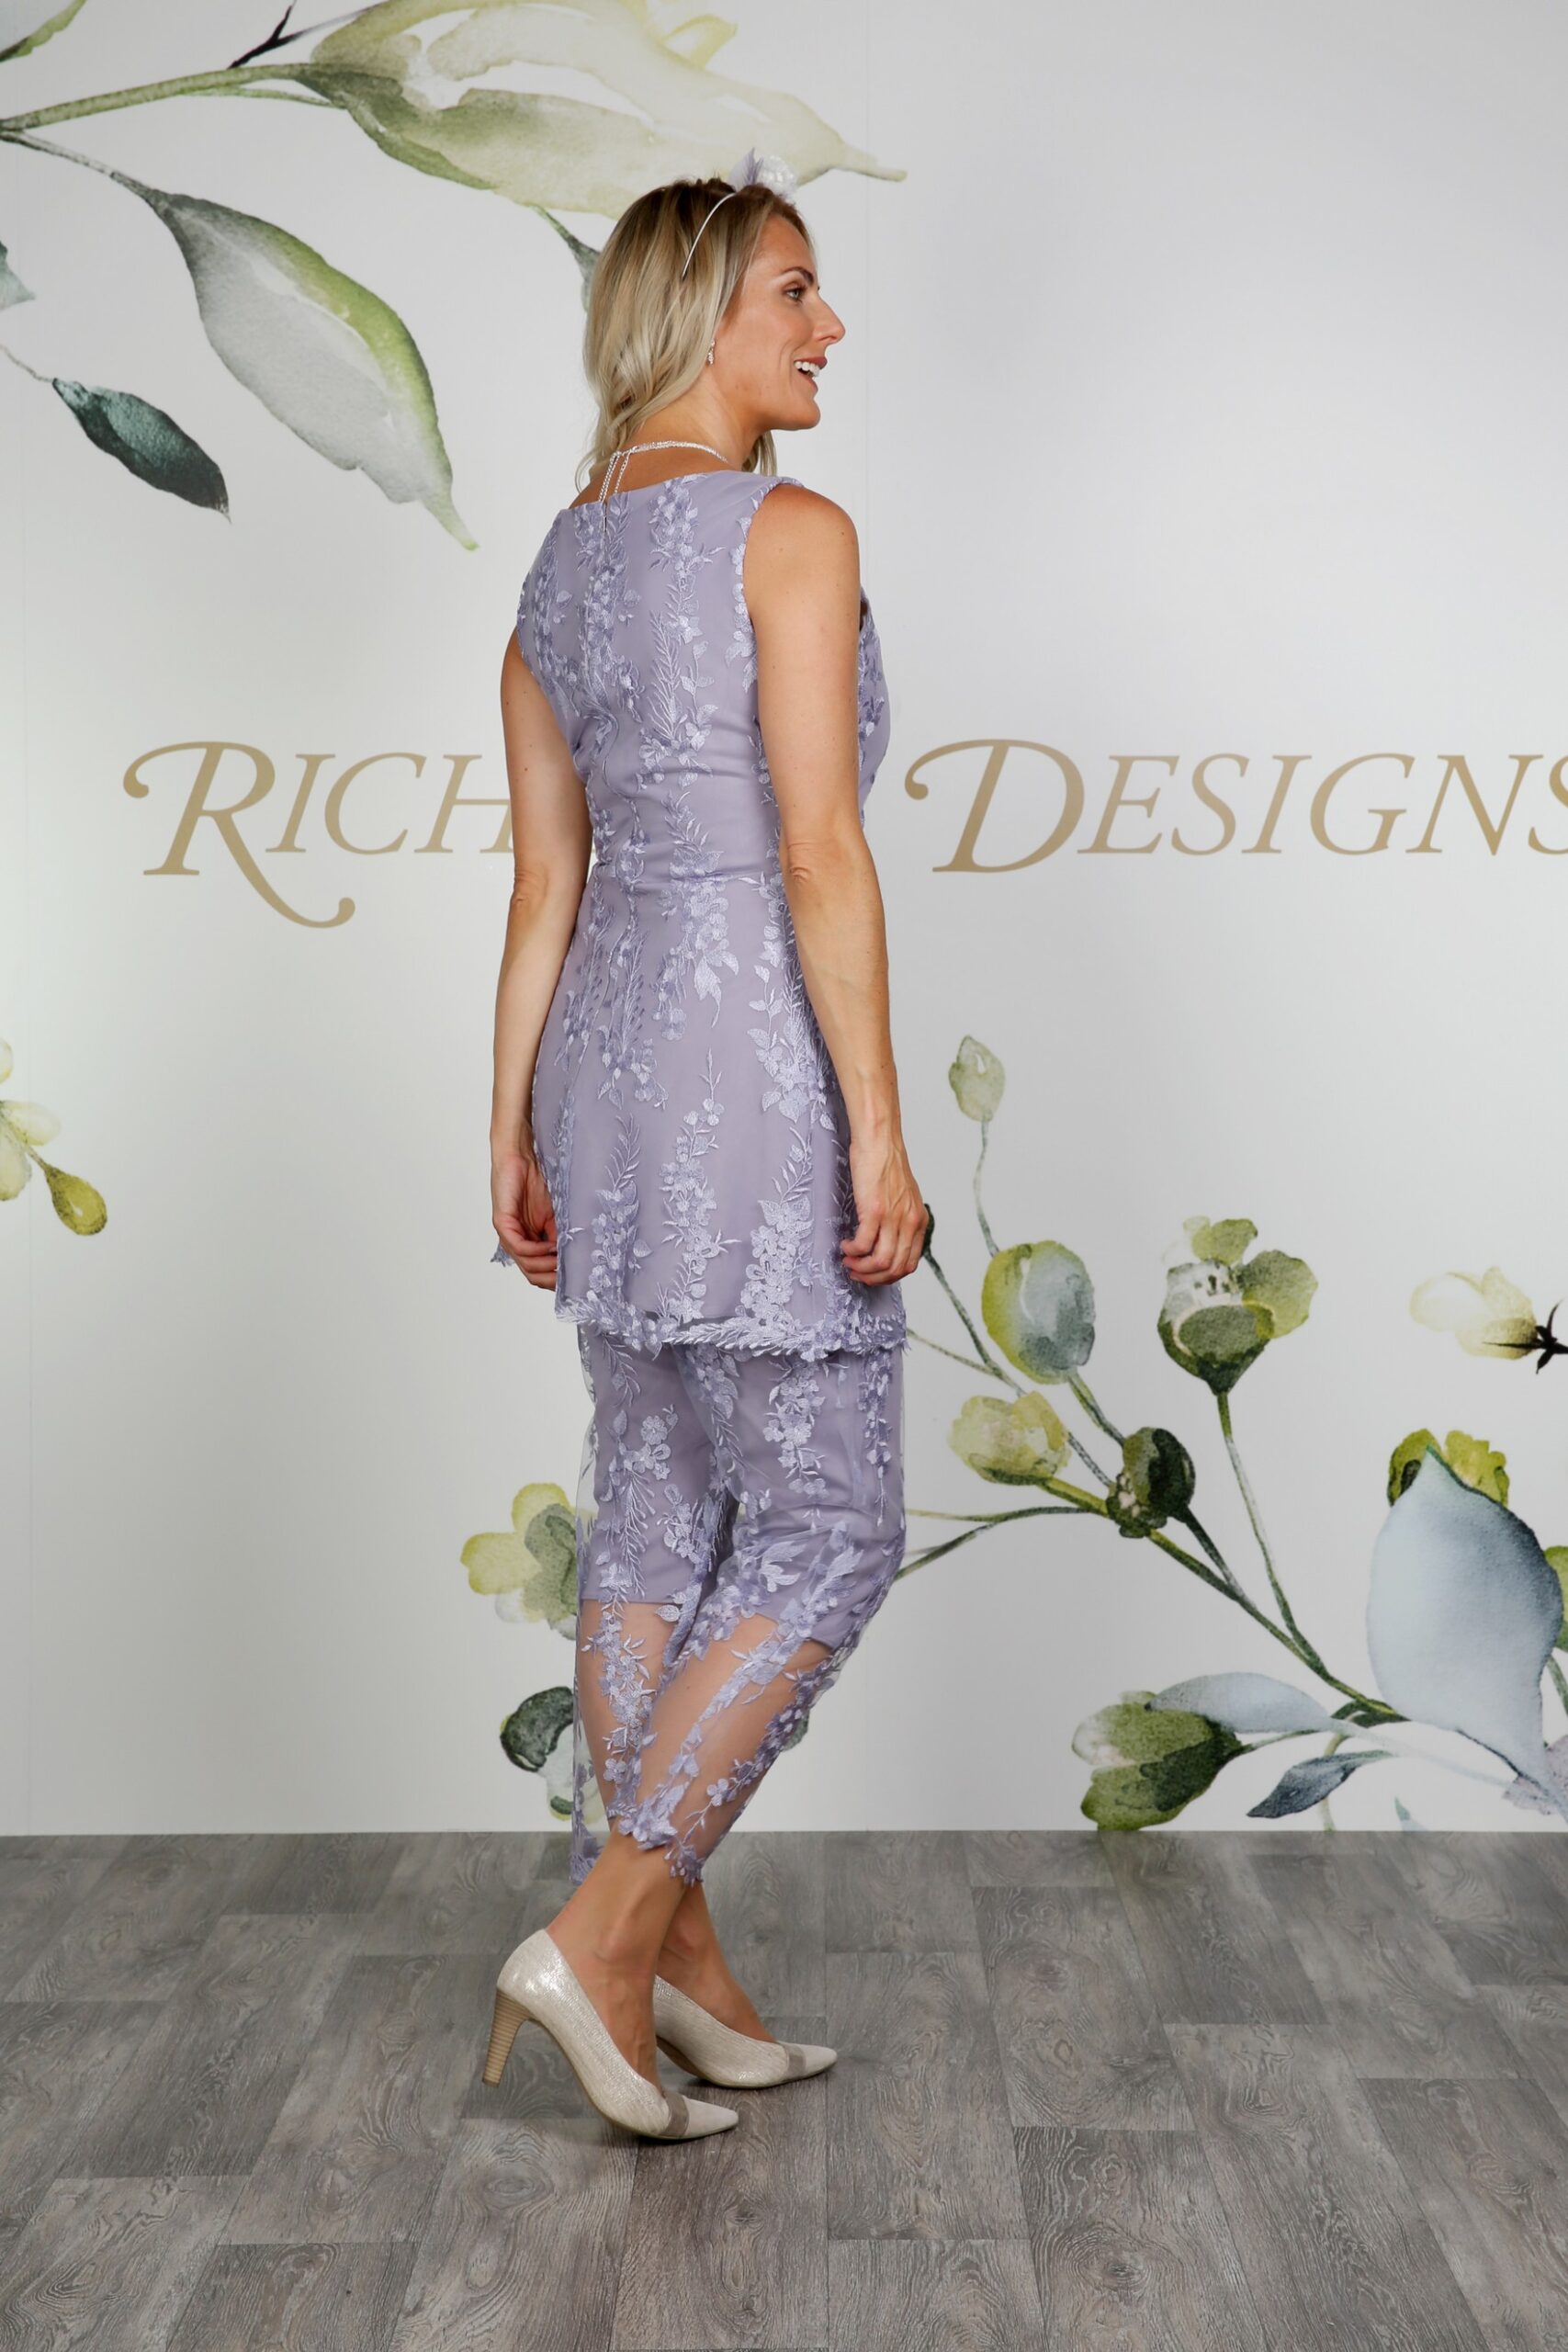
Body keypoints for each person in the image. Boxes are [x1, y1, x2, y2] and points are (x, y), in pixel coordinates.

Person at [482, 154, 925, 2141]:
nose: (828, 325)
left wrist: (508, 1125)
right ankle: (602, 1930)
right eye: (793, 290)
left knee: (658, 1513)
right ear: (698, 315)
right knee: (825, 1528)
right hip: (753, 1069)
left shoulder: (558, 567)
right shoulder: (790, 531)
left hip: (603, 1073)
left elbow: (541, 888)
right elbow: (818, 852)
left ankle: (679, 1968)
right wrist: (881, 1134)